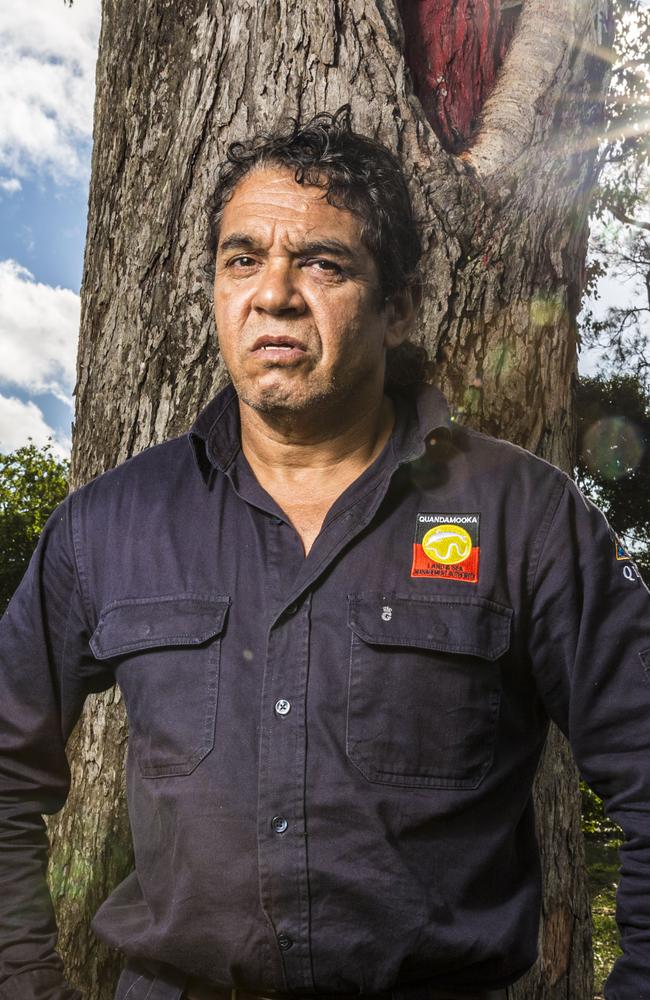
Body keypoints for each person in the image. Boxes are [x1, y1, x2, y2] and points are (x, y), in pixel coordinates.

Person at [0, 106, 648, 1000]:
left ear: (397, 308)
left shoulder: (527, 517)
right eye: (242, 260)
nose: (273, 293)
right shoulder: (107, 526)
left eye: (322, 263)